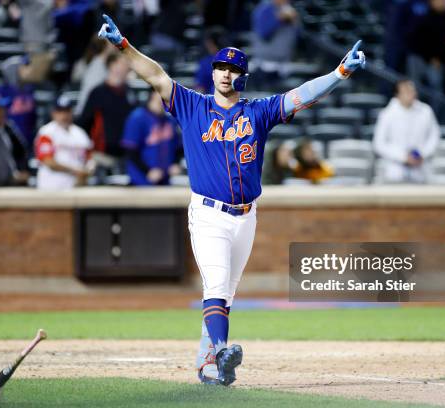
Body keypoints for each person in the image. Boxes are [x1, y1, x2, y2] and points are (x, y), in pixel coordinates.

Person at [98, 14, 366, 386]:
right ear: (212, 73)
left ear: (243, 77)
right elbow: (155, 75)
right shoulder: (192, 106)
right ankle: (222, 354)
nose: (225, 74)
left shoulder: (258, 112)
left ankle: (207, 366)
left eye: (233, 69)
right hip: (208, 214)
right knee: (217, 286)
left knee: (225, 295)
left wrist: (339, 73)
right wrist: (123, 46)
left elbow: (301, 94)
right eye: (220, 67)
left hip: (246, 216)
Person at [373, 79, 440, 183]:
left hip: (421, 169)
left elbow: (434, 137)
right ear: (397, 94)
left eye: (412, 90)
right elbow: (379, 144)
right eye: (406, 91)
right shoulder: (387, 114)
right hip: (395, 172)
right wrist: (403, 157)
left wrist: (423, 154)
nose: (410, 94)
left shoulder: (426, 111)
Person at [77, 52, 135, 158]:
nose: (127, 67)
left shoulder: (129, 92)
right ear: (112, 65)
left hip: (125, 152)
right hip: (102, 152)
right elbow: (85, 122)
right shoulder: (98, 92)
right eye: (123, 63)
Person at [121, 90, 182, 186]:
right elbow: (130, 150)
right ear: (152, 95)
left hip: (165, 181)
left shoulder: (169, 120)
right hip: (141, 182)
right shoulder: (137, 118)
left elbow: (179, 148)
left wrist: (175, 163)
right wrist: (148, 171)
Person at [35, 95, 94, 190]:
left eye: (67, 111)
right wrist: (76, 170)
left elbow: (90, 158)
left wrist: (89, 169)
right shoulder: (46, 132)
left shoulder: (80, 133)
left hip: (76, 188)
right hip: (51, 188)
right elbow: (48, 161)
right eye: (60, 111)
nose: (64, 115)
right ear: (53, 113)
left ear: (72, 112)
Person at [251, 0, 298, 82]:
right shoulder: (265, 8)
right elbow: (263, 33)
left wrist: (294, 21)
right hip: (265, 65)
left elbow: (297, 36)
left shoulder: (288, 8)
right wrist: (279, 19)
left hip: (283, 64)